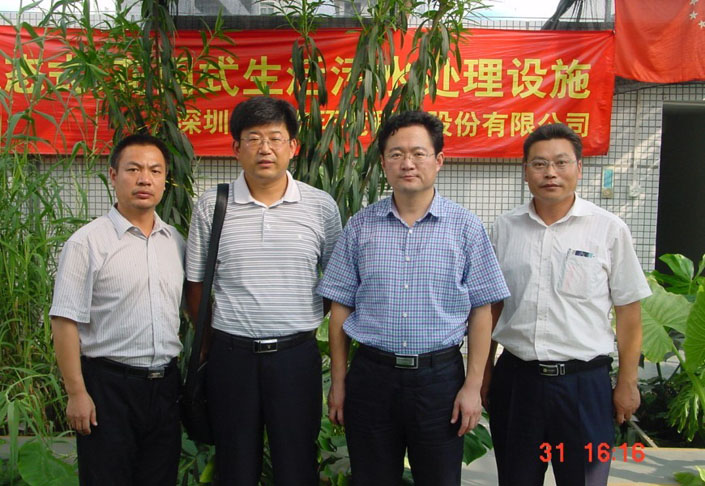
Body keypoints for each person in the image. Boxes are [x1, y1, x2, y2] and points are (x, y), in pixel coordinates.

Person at [317, 110, 510, 486]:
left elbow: (482, 310)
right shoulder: (360, 226)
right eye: (396, 154)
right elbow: (340, 307)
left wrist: (472, 387)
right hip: (372, 377)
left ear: (439, 160)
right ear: (383, 163)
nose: (407, 163)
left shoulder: (466, 227)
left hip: (439, 382)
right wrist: (339, 383)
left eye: (419, 153)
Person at [483, 123, 652, 486]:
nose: (551, 173)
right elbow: (491, 307)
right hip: (518, 383)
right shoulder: (504, 228)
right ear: (525, 171)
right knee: (516, 478)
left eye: (561, 162)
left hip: (584, 387)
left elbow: (628, 312)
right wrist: (482, 372)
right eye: (539, 164)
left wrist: (627, 382)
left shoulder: (608, 229)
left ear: (579, 168)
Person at [185, 96, 342, 485]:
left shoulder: (320, 206)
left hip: (296, 358)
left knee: (297, 465)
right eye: (253, 138)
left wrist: (303, 316)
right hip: (231, 358)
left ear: (293, 146)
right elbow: (196, 283)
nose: (265, 148)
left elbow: (337, 280)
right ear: (236, 148)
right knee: (235, 467)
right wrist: (211, 344)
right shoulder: (212, 205)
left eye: (275, 138)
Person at [50, 134, 185, 485]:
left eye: (155, 171)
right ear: (113, 175)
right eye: (133, 169)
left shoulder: (175, 242)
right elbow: (64, 321)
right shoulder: (87, 243)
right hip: (108, 388)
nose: (145, 179)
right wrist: (76, 393)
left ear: (165, 180)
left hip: (165, 388)